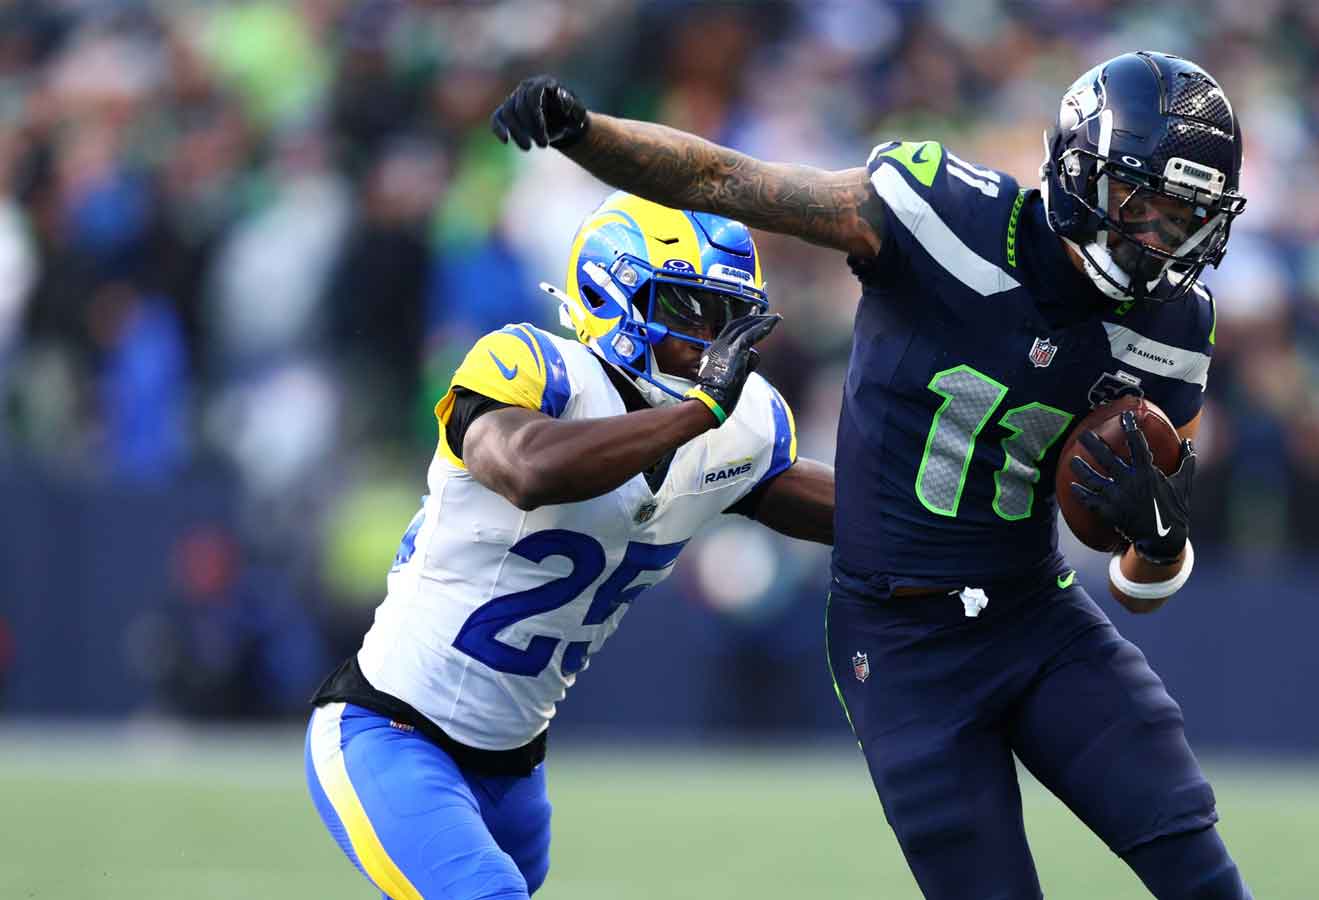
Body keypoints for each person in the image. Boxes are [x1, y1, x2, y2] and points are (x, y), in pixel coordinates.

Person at [491, 50, 1250, 898]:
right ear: (1079, 171)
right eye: (1141, 203)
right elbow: (723, 179)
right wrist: (584, 133)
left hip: (1038, 618)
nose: (1158, 239)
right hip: (900, 642)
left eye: (1184, 220)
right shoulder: (942, 213)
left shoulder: (1176, 329)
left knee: (1195, 862)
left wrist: (1162, 540)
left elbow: (1143, 585)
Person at [303, 192, 834, 899]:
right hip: (391, 731)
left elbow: (864, 518)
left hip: (516, 771)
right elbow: (527, 471)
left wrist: (974, 514)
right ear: (611, 294)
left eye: (728, 318)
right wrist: (697, 411)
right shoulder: (532, 366)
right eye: (688, 311)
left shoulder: (739, 430)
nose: (710, 343)